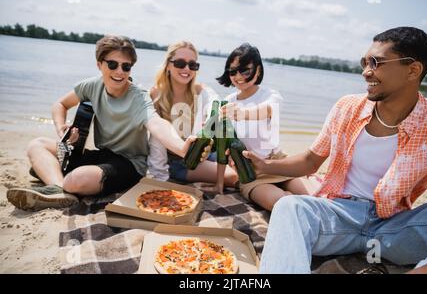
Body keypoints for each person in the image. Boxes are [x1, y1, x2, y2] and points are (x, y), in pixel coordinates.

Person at [241, 27, 427, 273]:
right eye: (364, 62)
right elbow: (310, 161)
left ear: (413, 70)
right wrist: (265, 166)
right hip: (338, 218)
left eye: (376, 62)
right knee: (290, 207)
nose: (366, 71)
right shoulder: (347, 107)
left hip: (395, 229)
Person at [7, 35, 209, 211]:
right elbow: (60, 104)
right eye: (112, 64)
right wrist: (62, 128)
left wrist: (183, 149)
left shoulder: (139, 97)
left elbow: (157, 124)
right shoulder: (92, 85)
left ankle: (56, 179)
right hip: (100, 154)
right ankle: (60, 190)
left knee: (76, 180)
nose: (119, 71)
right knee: (37, 144)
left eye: (126, 66)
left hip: (129, 164)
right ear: (99, 64)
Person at [216, 43, 321, 210]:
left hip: (280, 164)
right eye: (233, 71)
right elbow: (222, 147)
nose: (238, 76)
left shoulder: (270, 95)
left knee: (316, 199)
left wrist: (243, 113)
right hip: (251, 174)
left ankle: (313, 182)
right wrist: (219, 184)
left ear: (258, 70)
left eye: (245, 70)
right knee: (283, 205)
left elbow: (268, 110)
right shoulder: (228, 102)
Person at [148, 41, 238, 187]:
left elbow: (214, 102)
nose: (186, 69)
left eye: (192, 65)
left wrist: (210, 119)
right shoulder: (155, 94)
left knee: (247, 165)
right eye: (180, 63)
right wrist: (159, 176)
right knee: (233, 177)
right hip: (180, 162)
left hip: (206, 153)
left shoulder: (200, 91)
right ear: (168, 65)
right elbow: (155, 137)